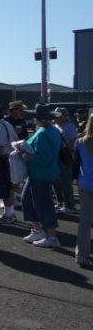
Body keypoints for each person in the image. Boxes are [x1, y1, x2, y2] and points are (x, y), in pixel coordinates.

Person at [18, 104, 63, 249]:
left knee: (43, 205)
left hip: (41, 174)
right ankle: (38, 230)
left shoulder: (43, 133)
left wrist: (23, 154)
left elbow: (43, 158)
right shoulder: (53, 130)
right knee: (27, 199)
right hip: (42, 173)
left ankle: (52, 237)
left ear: (37, 118)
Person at [0, 106, 18, 223]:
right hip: (9, 157)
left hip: (3, 159)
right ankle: (10, 213)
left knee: (5, 188)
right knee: (9, 187)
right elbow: (16, 138)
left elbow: (0, 145)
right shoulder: (7, 124)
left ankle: (8, 215)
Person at [74, 114, 93, 267]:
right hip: (86, 184)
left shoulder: (80, 142)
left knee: (85, 220)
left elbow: (75, 166)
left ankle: (81, 253)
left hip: (85, 184)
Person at [52, 108, 77, 214]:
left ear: (61, 117)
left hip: (65, 155)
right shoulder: (55, 126)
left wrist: (69, 152)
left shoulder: (69, 126)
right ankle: (60, 202)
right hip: (57, 155)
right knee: (56, 181)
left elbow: (73, 140)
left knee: (65, 181)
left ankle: (69, 204)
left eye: (55, 116)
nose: (53, 118)